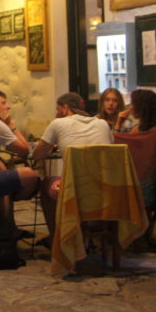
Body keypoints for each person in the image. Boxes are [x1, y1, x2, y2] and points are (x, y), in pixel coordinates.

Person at [31, 92, 114, 245]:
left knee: (47, 185)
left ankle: (56, 239)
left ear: (65, 108)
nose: (56, 113)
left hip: (74, 191)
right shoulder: (102, 124)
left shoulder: (58, 123)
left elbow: (37, 155)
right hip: (106, 190)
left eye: (57, 109)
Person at [113, 89, 156, 213]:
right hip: (151, 186)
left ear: (141, 107)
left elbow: (115, 141)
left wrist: (118, 123)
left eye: (133, 104)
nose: (131, 107)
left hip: (142, 189)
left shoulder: (150, 132)